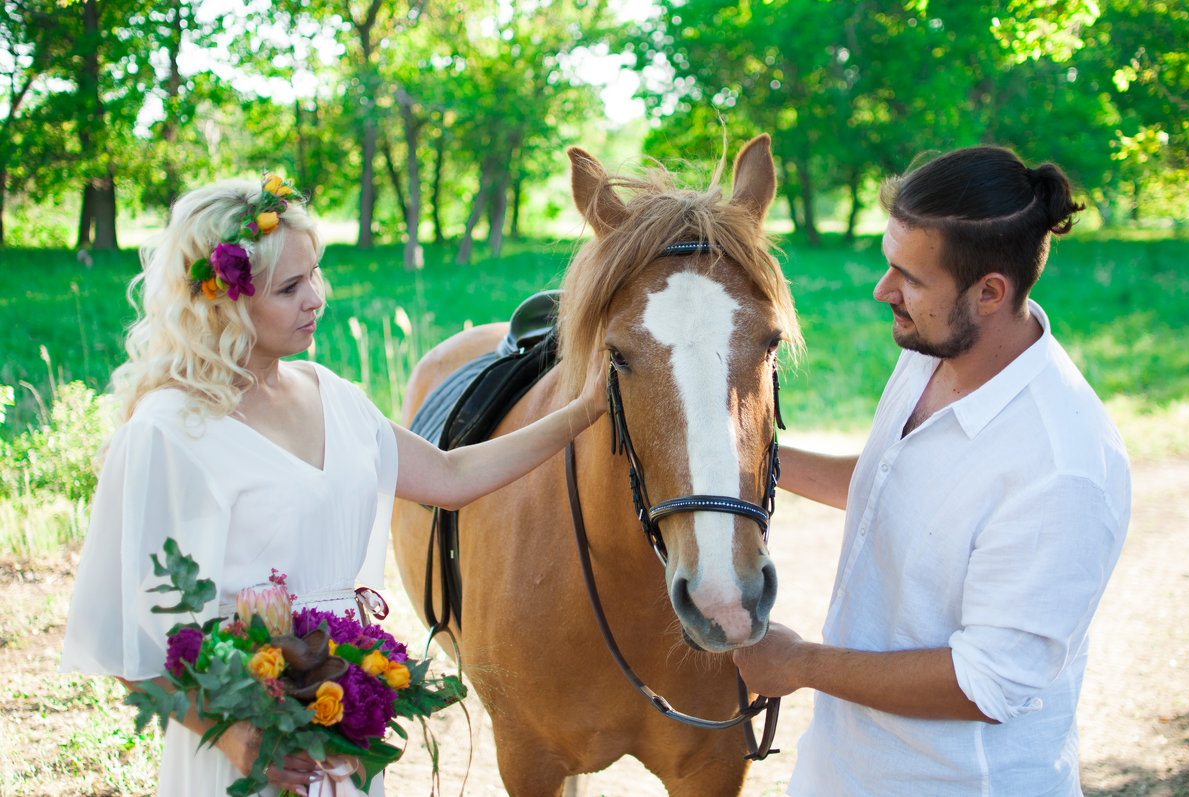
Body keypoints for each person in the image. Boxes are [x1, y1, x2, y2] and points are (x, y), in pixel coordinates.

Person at [59, 175, 607, 797]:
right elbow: (133, 649)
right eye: (289, 288)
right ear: (224, 302)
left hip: (338, 726)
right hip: (243, 745)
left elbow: (453, 477)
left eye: (315, 273)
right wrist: (241, 739)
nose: (315, 298)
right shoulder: (171, 432)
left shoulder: (332, 394)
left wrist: (587, 408)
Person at [732, 146, 1131, 796]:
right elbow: (891, 483)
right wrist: (746, 461)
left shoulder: (1063, 467)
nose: (882, 290)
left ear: (990, 292)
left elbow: (985, 681)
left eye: (908, 277)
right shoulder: (933, 349)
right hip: (845, 764)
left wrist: (798, 663)